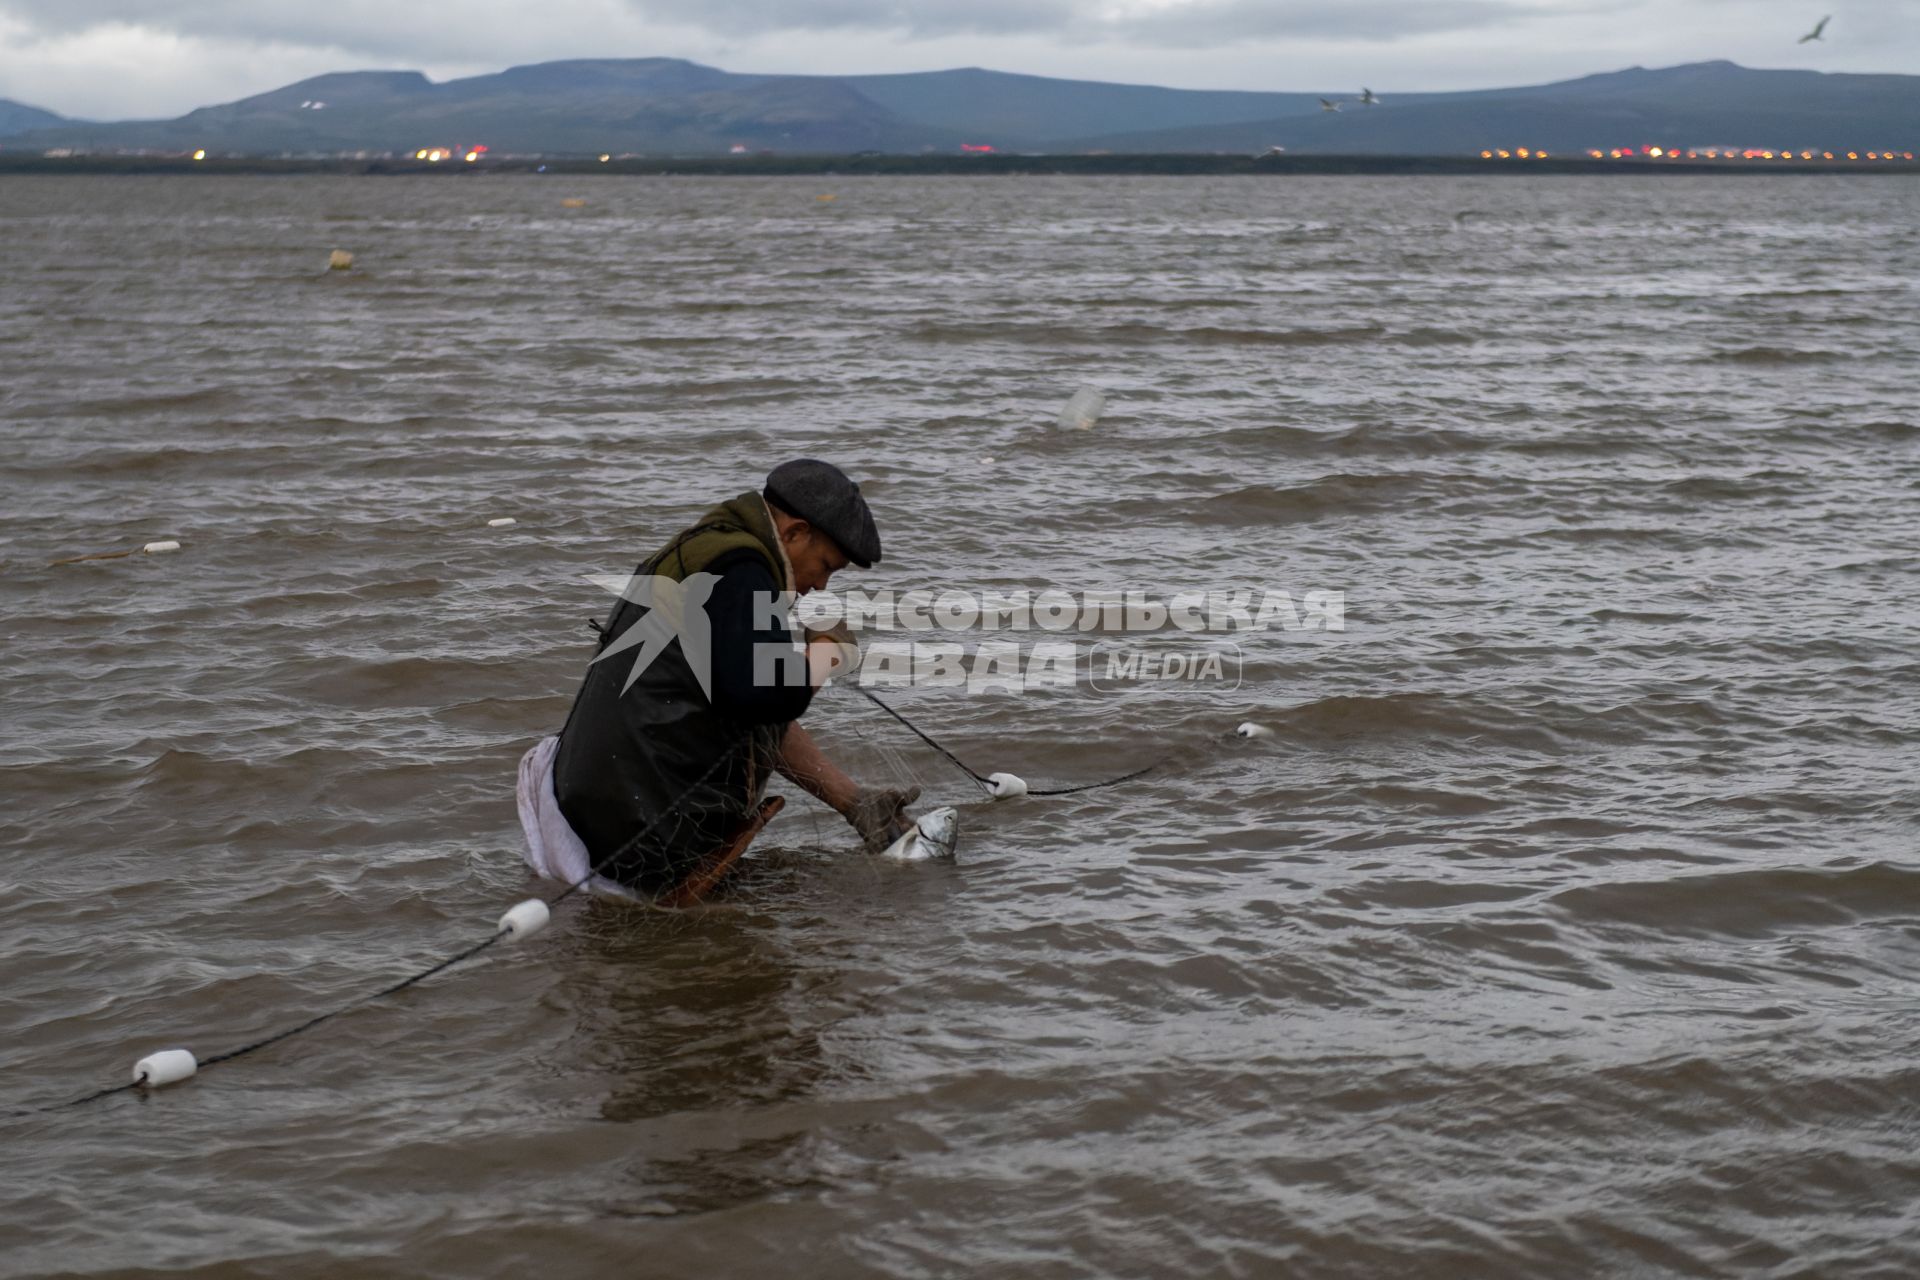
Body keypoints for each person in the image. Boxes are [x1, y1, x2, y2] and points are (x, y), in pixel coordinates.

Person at [516, 459, 919, 905]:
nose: (821, 586)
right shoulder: (743, 570)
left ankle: (859, 808)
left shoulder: (705, 547)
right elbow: (766, 696)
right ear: (795, 533)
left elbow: (741, 704)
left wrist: (852, 802)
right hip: (648, 834)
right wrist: (828, 652)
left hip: (593, 810)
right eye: (826, 566)